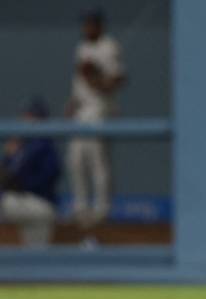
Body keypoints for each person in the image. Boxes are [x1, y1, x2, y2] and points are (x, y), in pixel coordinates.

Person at [66, 8, 125, 245]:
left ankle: (102, 210)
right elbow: (79, 83)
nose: (87, 28)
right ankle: (81, 208)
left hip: (100, 110)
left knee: (98, 162)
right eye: (85, 24)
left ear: (99, 26)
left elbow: (117, 81)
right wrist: (72, 103)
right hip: (81, 110)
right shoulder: (81, 48)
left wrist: (94, 75)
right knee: (75, 160)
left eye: (91, 24)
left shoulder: (109, 47)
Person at [0, 98, 61, 247]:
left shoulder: (43, 145)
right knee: (36, 250)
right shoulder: (24, 145)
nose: (23, 119)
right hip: (26, 203)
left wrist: (11, 160)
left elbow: (49, 174)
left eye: (28, 116)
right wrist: (9, 157)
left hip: (38, 203)